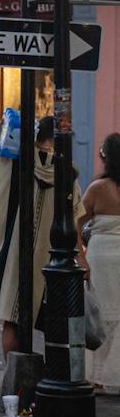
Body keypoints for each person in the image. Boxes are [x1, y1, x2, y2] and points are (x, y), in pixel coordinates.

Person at [0, 115, 84, 358]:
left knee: (12, 319)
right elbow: (75, 217)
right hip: (52, 257)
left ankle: (14, 380)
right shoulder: (66, 172)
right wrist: (81, 256)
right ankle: (52, 376)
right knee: (54, 320)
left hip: (13, 254)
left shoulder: (12, 164)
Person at [82, 133, 120, 390]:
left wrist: (79, 255)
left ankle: (96, 378)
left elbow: (75, 220)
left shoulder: (97, 188)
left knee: (100, 315)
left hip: (100, 254)